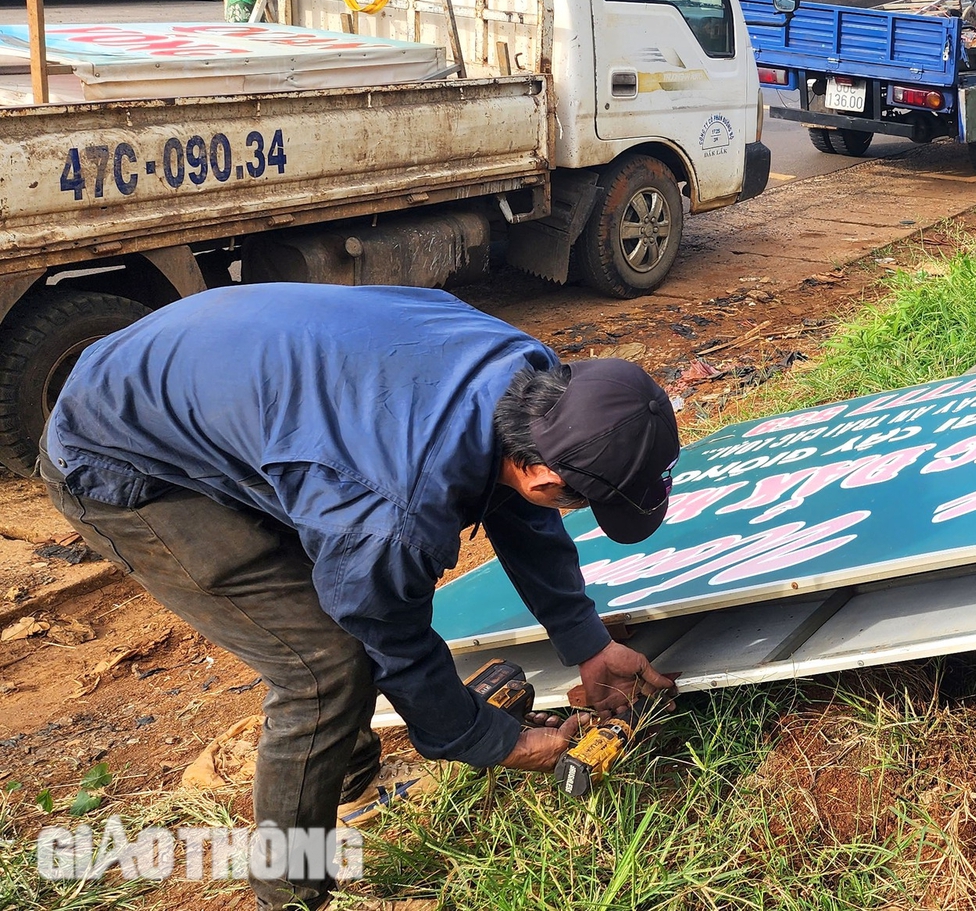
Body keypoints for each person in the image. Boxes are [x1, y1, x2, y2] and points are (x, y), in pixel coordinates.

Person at [39, 284, 681, 910]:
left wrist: (587, 642)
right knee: (323, 667)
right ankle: (289, 891)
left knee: (339, 615)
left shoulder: (527, 377)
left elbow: (520, 506)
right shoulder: (389, 510)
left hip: (205, 379)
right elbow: (389, 637)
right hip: (118, 453)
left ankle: (349, 790)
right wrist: (495, 742)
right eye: (581, 499)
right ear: (543, 474)